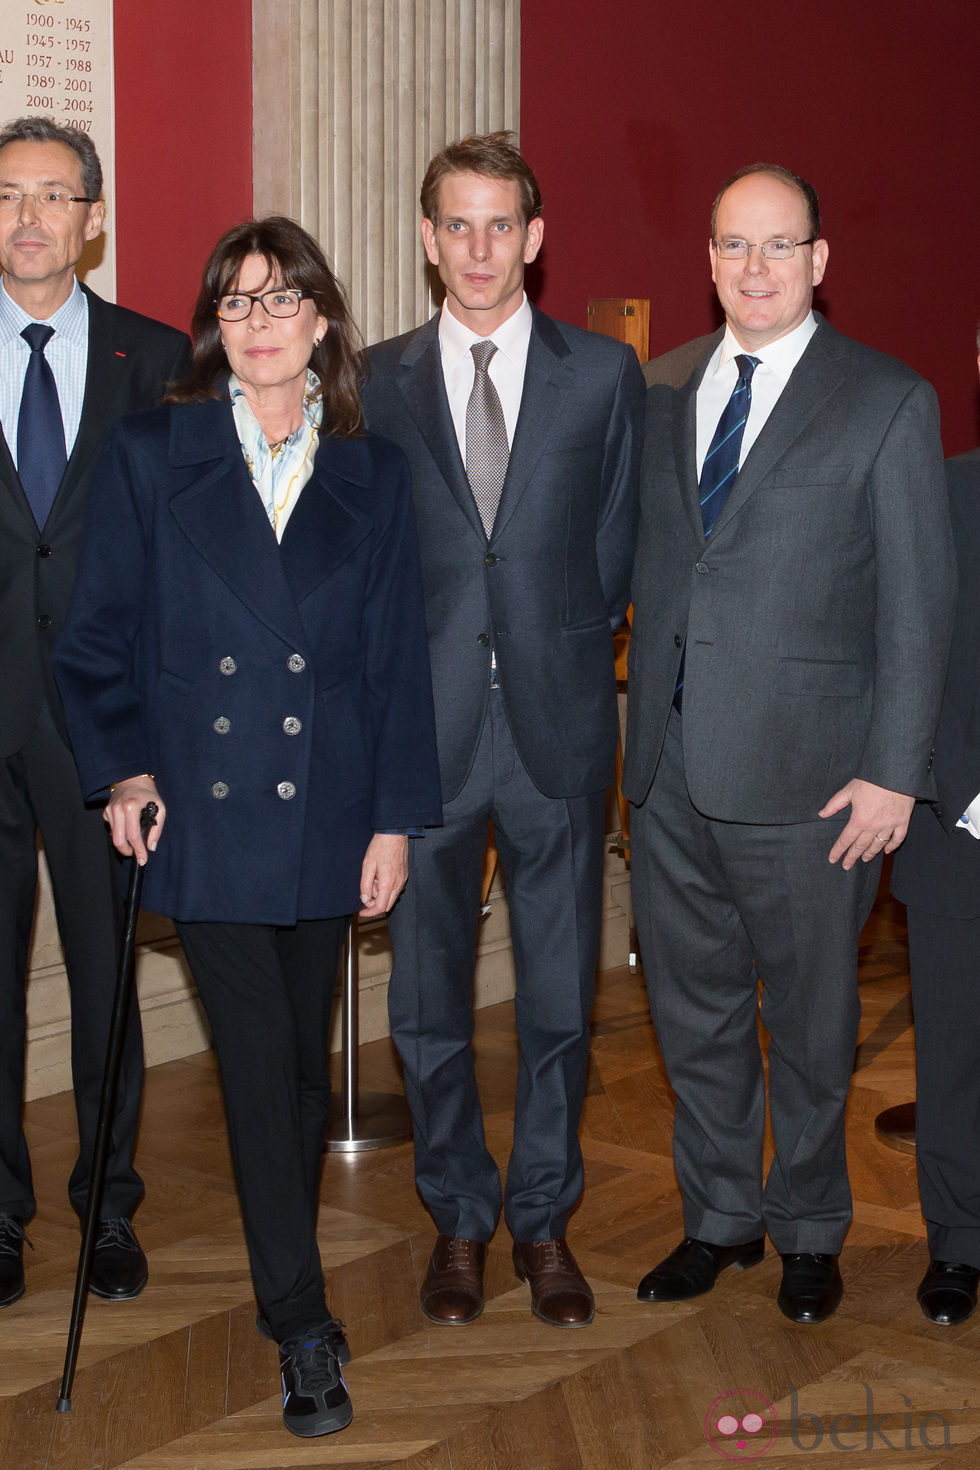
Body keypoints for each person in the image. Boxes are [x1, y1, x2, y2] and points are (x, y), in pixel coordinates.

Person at [54, 216, 441, 1439]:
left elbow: (394, 667)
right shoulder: (151, 453)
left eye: (282, 302)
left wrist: (394, 821)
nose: (260, 324)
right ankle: (303, 1325)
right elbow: (94, 639)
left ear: (322, 322)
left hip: (326, 817)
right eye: (235, 304)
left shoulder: (374, 474)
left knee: (283, 1055)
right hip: (203, 825)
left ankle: (295, 1299)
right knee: (264, 1075)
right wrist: (120, 775)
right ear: (213, 329)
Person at [624, 162, 954, 1325]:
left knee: (810, 1022)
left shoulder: (884, 398)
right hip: (665, 776)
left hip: (816, 785)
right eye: (731, 246)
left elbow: (918, 606)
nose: (753, 268)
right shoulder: (658, 388)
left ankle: (811, 1225)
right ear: (706, 260)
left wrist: (892, 774)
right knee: (693, 1010)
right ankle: (719, 1218)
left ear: (818, 260)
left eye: (777, 246)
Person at [361, 132, 644, 1329]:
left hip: (556, 729)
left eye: (500, 225)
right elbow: (362, 568)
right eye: (455, 225)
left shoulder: (602, 378)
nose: (478, 248)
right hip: (418, 737)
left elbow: (616, 545)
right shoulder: (375, 380)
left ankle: (542, 1219)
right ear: (427, 240)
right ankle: (458, 1222)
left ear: (533, 238)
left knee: (554, 1000)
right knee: (422, 1001)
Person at [0, 115, 189, 1310]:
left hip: (102, 731)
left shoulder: (153, 356)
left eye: (52, 196)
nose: (26, 217)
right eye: (7, 195)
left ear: (92, 217)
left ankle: (106, 1205)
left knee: (107, 979)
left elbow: (179, 555)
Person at [891, 334, 980, 1326]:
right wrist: (963, 793)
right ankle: (956, 1242)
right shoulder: (940, 495)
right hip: (957, 822)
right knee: (952, 1048)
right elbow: (909, 655)